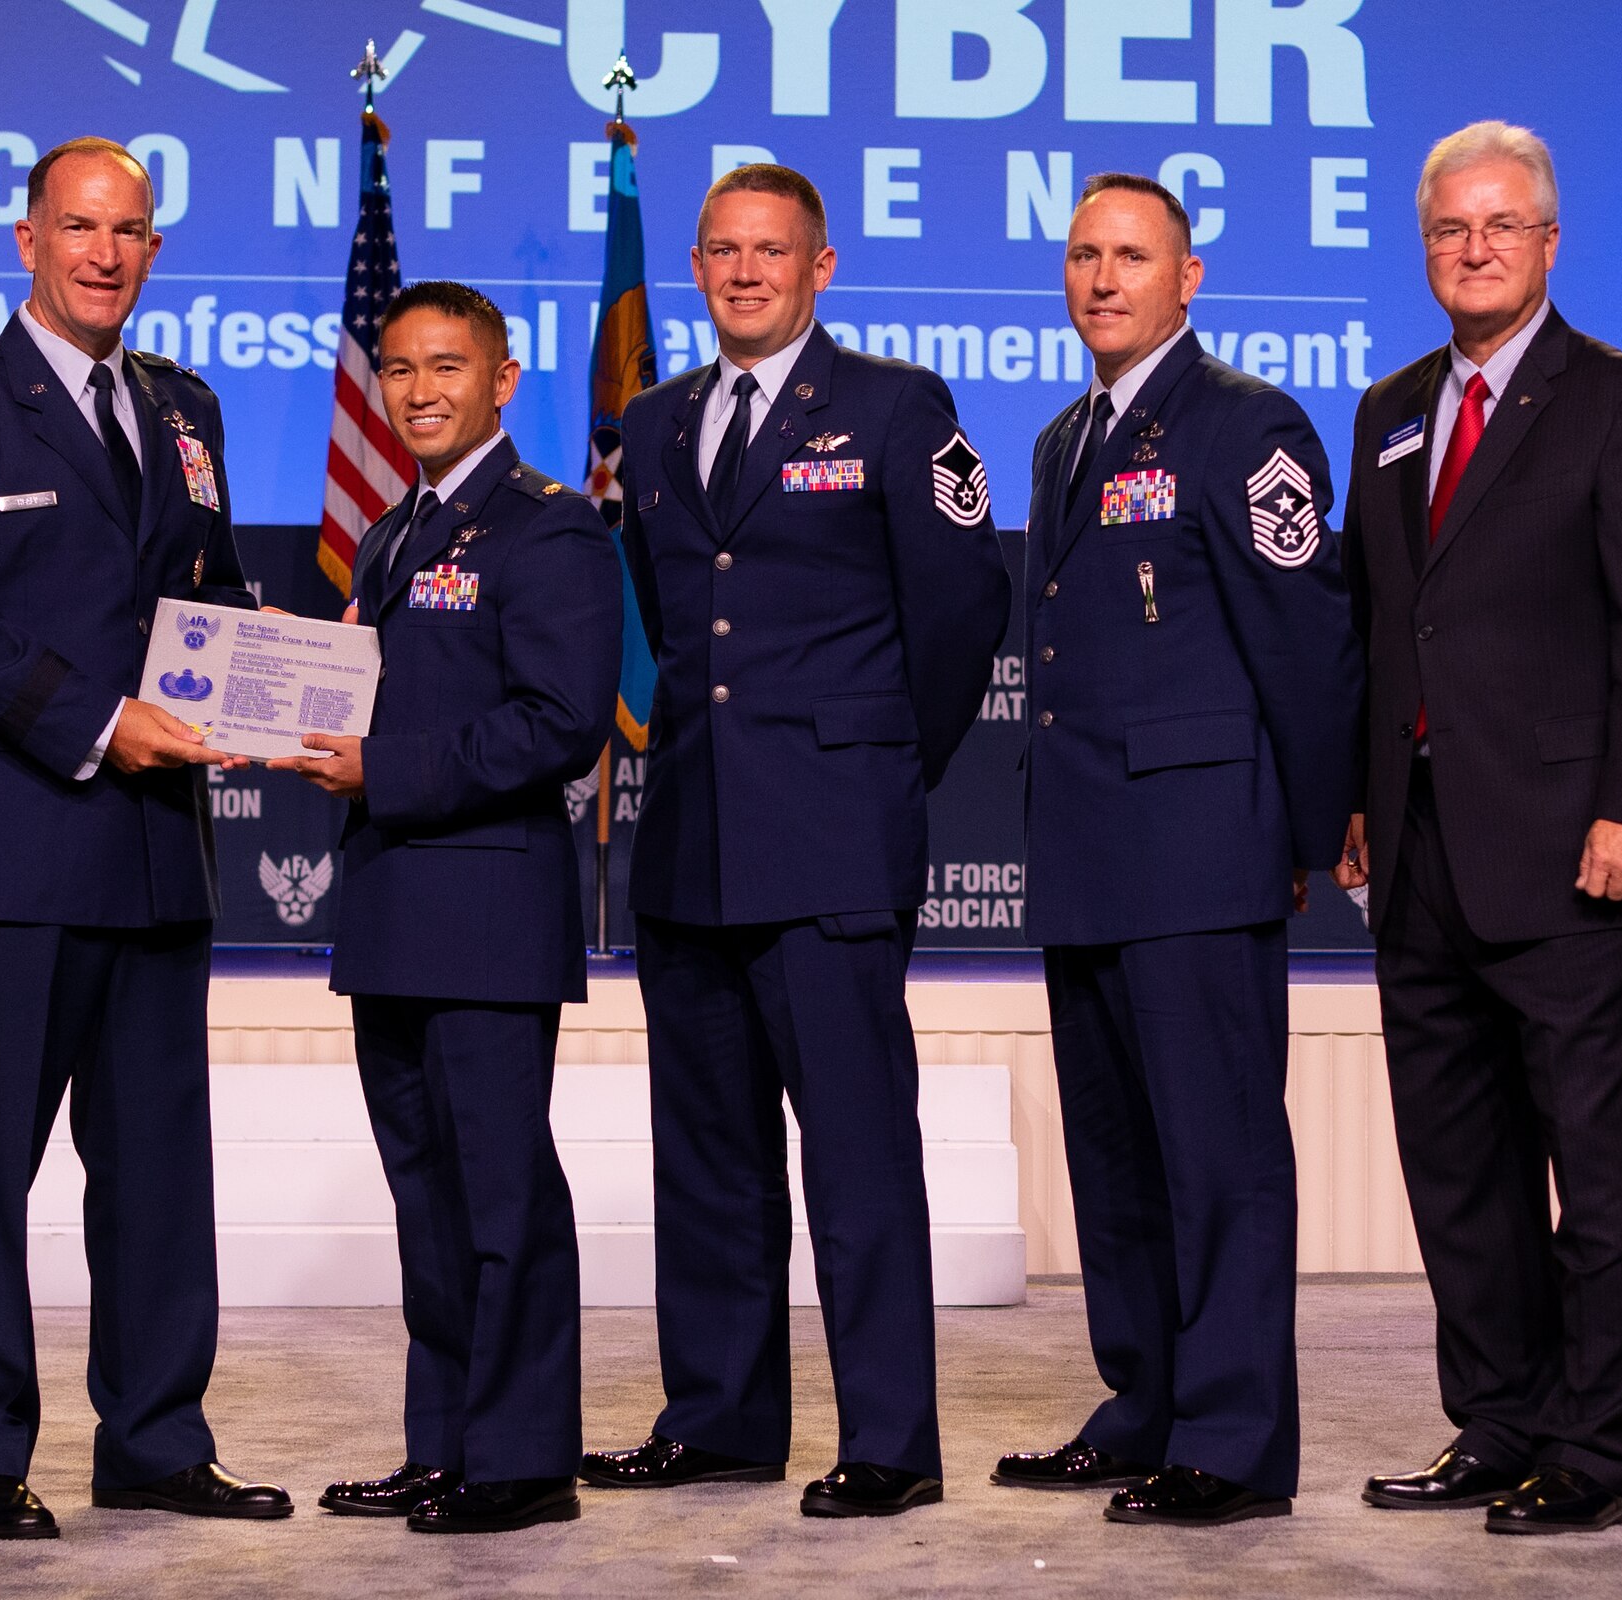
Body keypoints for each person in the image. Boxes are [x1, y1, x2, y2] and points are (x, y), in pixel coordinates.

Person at [0, 137, 289, 1539]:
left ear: (154, 252)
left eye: (131, 232)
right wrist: (101, 719)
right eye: (79, 227)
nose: (106, 253)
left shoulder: (187, 407)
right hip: (12, 840)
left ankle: (157, 1438)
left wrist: (288, 667)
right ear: (28, 240)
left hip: (160, 846)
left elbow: (208, 593)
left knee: (162, 1165)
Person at [579, 165, 1009, 1518]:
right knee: (705, 1150)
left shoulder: (897, 406)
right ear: (697, 269)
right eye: (724, 252)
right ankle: (718, 1417)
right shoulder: (651, 425)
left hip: (832, 835)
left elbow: (959, 610)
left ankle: (890, 1438)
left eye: (773, 251)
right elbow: (668, 609)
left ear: (821, 268)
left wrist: (877, 763)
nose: (746, 272)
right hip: (692, 837)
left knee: (859, 1150)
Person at [1336, 122, 1622, 1535]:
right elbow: (1379, 629)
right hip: (1424, 855)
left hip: (1577, 857)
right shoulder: (1387, 410)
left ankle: (1595, 1453)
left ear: (1550, 245)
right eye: (1451, 229)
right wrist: (1361, 804)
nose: (1476, 249)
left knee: (1597, 1178)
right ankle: (1496, 1424)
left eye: (1502, 227)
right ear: (1425, 247)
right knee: (1461, 1173)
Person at [994, 173, 1361, 1527]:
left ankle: (1234, 1439)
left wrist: (1319, 825)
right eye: (1083, 254)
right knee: (1118, 1160)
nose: (1102, 278)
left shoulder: (1244, 423)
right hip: (1087, 844)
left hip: (1200, 845)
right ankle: (1143, 1402)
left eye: (1130, 256)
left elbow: (1306, 642)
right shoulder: (1058, 438)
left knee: (1217, 1160)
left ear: (1187, 277)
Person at [271, 280, 620, 1535]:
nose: (420, 391)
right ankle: (447, 1443)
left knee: (502, 1194)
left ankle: (523, 1460)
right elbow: (394, 693)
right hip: (393, 912)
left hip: (485, 916)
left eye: (447, 368)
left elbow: (560, 723)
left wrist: (385, 771)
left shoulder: (549, 530)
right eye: (402, 370)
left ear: (502, 380)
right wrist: (291, 678)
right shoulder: (390, 535)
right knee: (429, 1200)